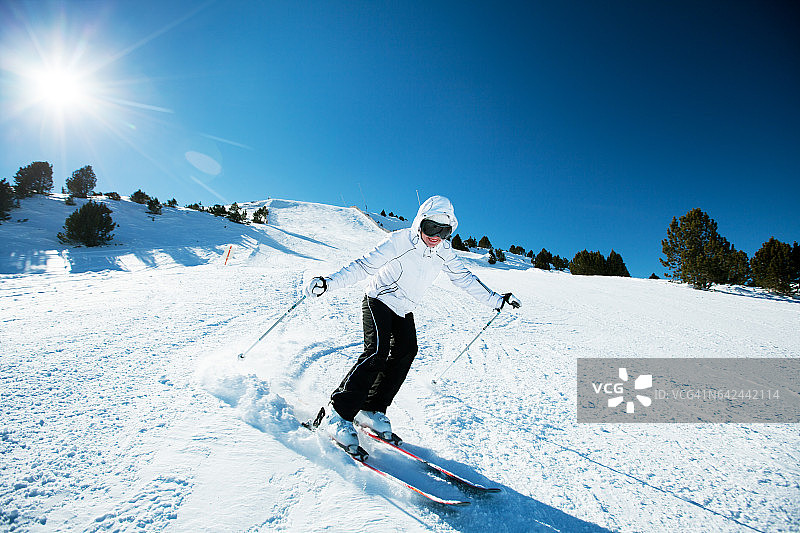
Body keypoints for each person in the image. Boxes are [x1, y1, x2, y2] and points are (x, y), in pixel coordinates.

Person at [305, 195, 521, 454]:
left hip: (403, 308)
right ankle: (337, 413)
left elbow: (465, 279)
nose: (436, 236)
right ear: (420, 223)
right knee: (376, 352)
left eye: (445, 230)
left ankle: (371, 408)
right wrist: (329, 282)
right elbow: (363, 266)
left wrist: (497, 301)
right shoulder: (399, 241)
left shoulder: (444, 253)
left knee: (407, 350)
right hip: (379, 298)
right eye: (432, 228)